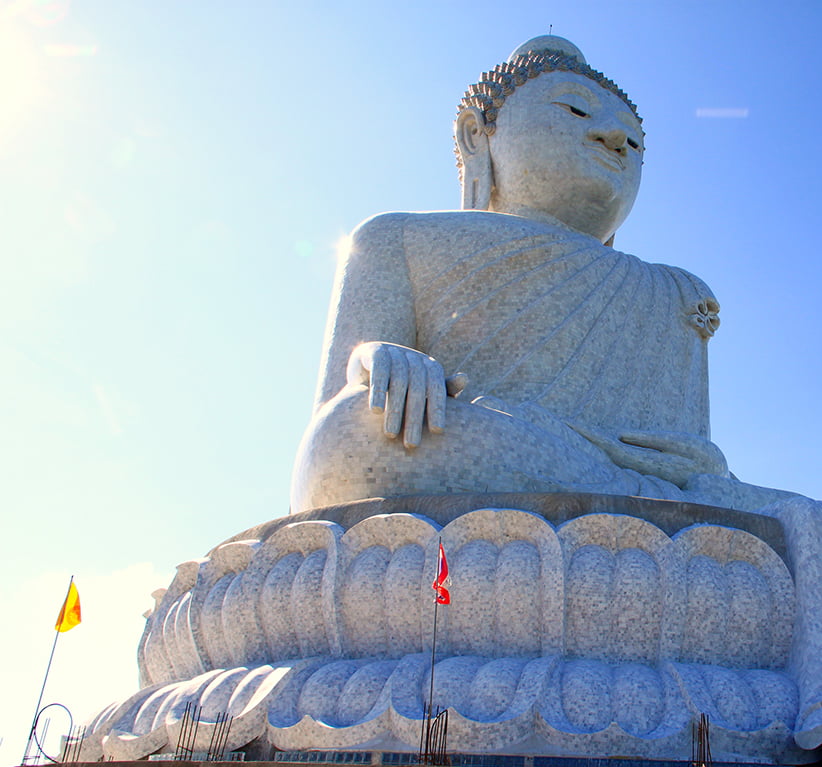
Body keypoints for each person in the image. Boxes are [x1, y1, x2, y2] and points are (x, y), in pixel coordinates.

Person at [290, 36, 778, 512]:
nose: (614, 140)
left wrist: (701, 469)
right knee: (350, 434)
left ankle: (646, 501)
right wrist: (373, 359)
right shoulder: (393, 237)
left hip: (590, 476)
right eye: (576, 110)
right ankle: (652, 504)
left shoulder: (676, 290)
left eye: (632, 140)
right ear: (476, 135)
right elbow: (326, 434)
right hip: (487, 437)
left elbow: (680, 452)